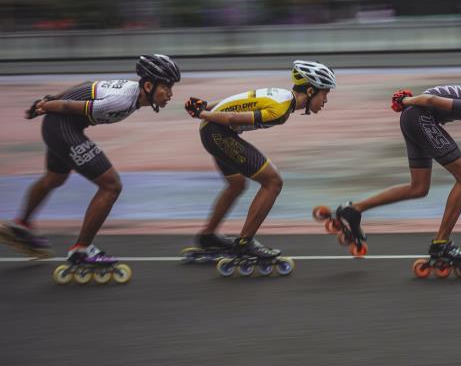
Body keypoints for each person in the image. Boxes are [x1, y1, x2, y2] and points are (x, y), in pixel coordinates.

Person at [327, 64, 461, 263]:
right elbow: (431, 101)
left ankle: (354, 210)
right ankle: (441, 245)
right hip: (420, 116)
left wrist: (409, 105)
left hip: (415, 118)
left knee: (418, 188)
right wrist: (406, 101)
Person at [0, 54, 181, 265]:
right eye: (166, 87)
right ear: (149, 86)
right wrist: (46, 105)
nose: (170, 94)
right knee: (111, 185)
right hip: (62, 126)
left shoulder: (132, 92)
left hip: (61, 126)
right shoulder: (122, 100)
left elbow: (87, 85)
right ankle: (81, 250)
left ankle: (22, 225)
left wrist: (50, 100)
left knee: (54, 179)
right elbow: (68, 107)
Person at [184, 60, 336, 261]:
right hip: (218, 132)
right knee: (273, 182)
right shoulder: (280, 110)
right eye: (324, 94)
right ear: (310, 91)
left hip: (214, 131)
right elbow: (232, 119)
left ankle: (208, 237)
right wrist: (202, 112)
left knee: (236, 184)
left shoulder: (280, 95)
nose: (325, 101)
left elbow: (237, 100)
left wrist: (206, 106)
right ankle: (245, 243)